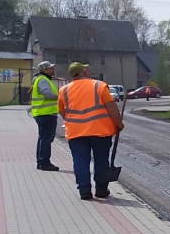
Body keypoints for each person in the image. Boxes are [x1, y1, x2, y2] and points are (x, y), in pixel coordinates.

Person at [58, 62, 124, 201]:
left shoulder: (63, 90)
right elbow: (111, 106)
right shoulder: (99, 85)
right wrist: (118, 123)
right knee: (101, 160)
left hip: (76, 132)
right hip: (99, 131)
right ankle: (101, 190)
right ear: (84, 72)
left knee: (80, 161)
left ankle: (84, 190)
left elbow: (62, 111)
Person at [29, 61, 62, 171]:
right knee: (46, 139)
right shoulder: (43, 80)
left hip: (42, 113)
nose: (53, 69)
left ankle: (41, 162)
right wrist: (60, 97)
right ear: (44, 70)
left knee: (42, 138)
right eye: (50, 68)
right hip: (46, 114)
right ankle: (44, 162)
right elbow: (47, 94)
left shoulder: (40, 79)